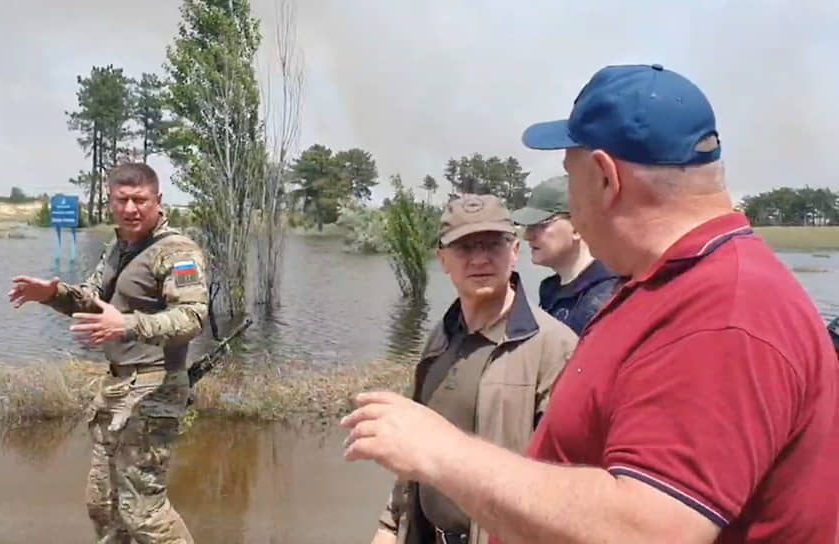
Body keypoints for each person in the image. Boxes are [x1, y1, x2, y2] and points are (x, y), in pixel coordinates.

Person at [342, 64, 839, 543]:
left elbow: (647, 532)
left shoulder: (723, 314)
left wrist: (441, 453)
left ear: (605, 178)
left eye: (568, 173)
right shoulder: (672, 286)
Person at [9, 163, 208, 543]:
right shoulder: (119, 247)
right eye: (122, 200)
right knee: (104, 504)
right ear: (110, 201)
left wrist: (129, 324)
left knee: (144, 512)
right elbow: (93, 300)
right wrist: (53, 295)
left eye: (140, 200)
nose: (131, 208)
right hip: (117, 386)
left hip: (155, 388)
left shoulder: (179, 252)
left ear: (158, 201)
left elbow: (192, 317)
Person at [367, 193, 578, 544]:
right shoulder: (440, 337)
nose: (479, 258)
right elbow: (416, 449)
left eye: (492, 244)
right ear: (442, 259)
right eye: (465, 247)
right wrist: (389, 526)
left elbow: (566, 484)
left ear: (514, 253)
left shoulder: (555, 348)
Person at [511, 176, 621, 335]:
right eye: (528, 226)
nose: (527, 235)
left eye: (540, 225)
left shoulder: (605, 299)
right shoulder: (551, 290)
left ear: (578, 227)